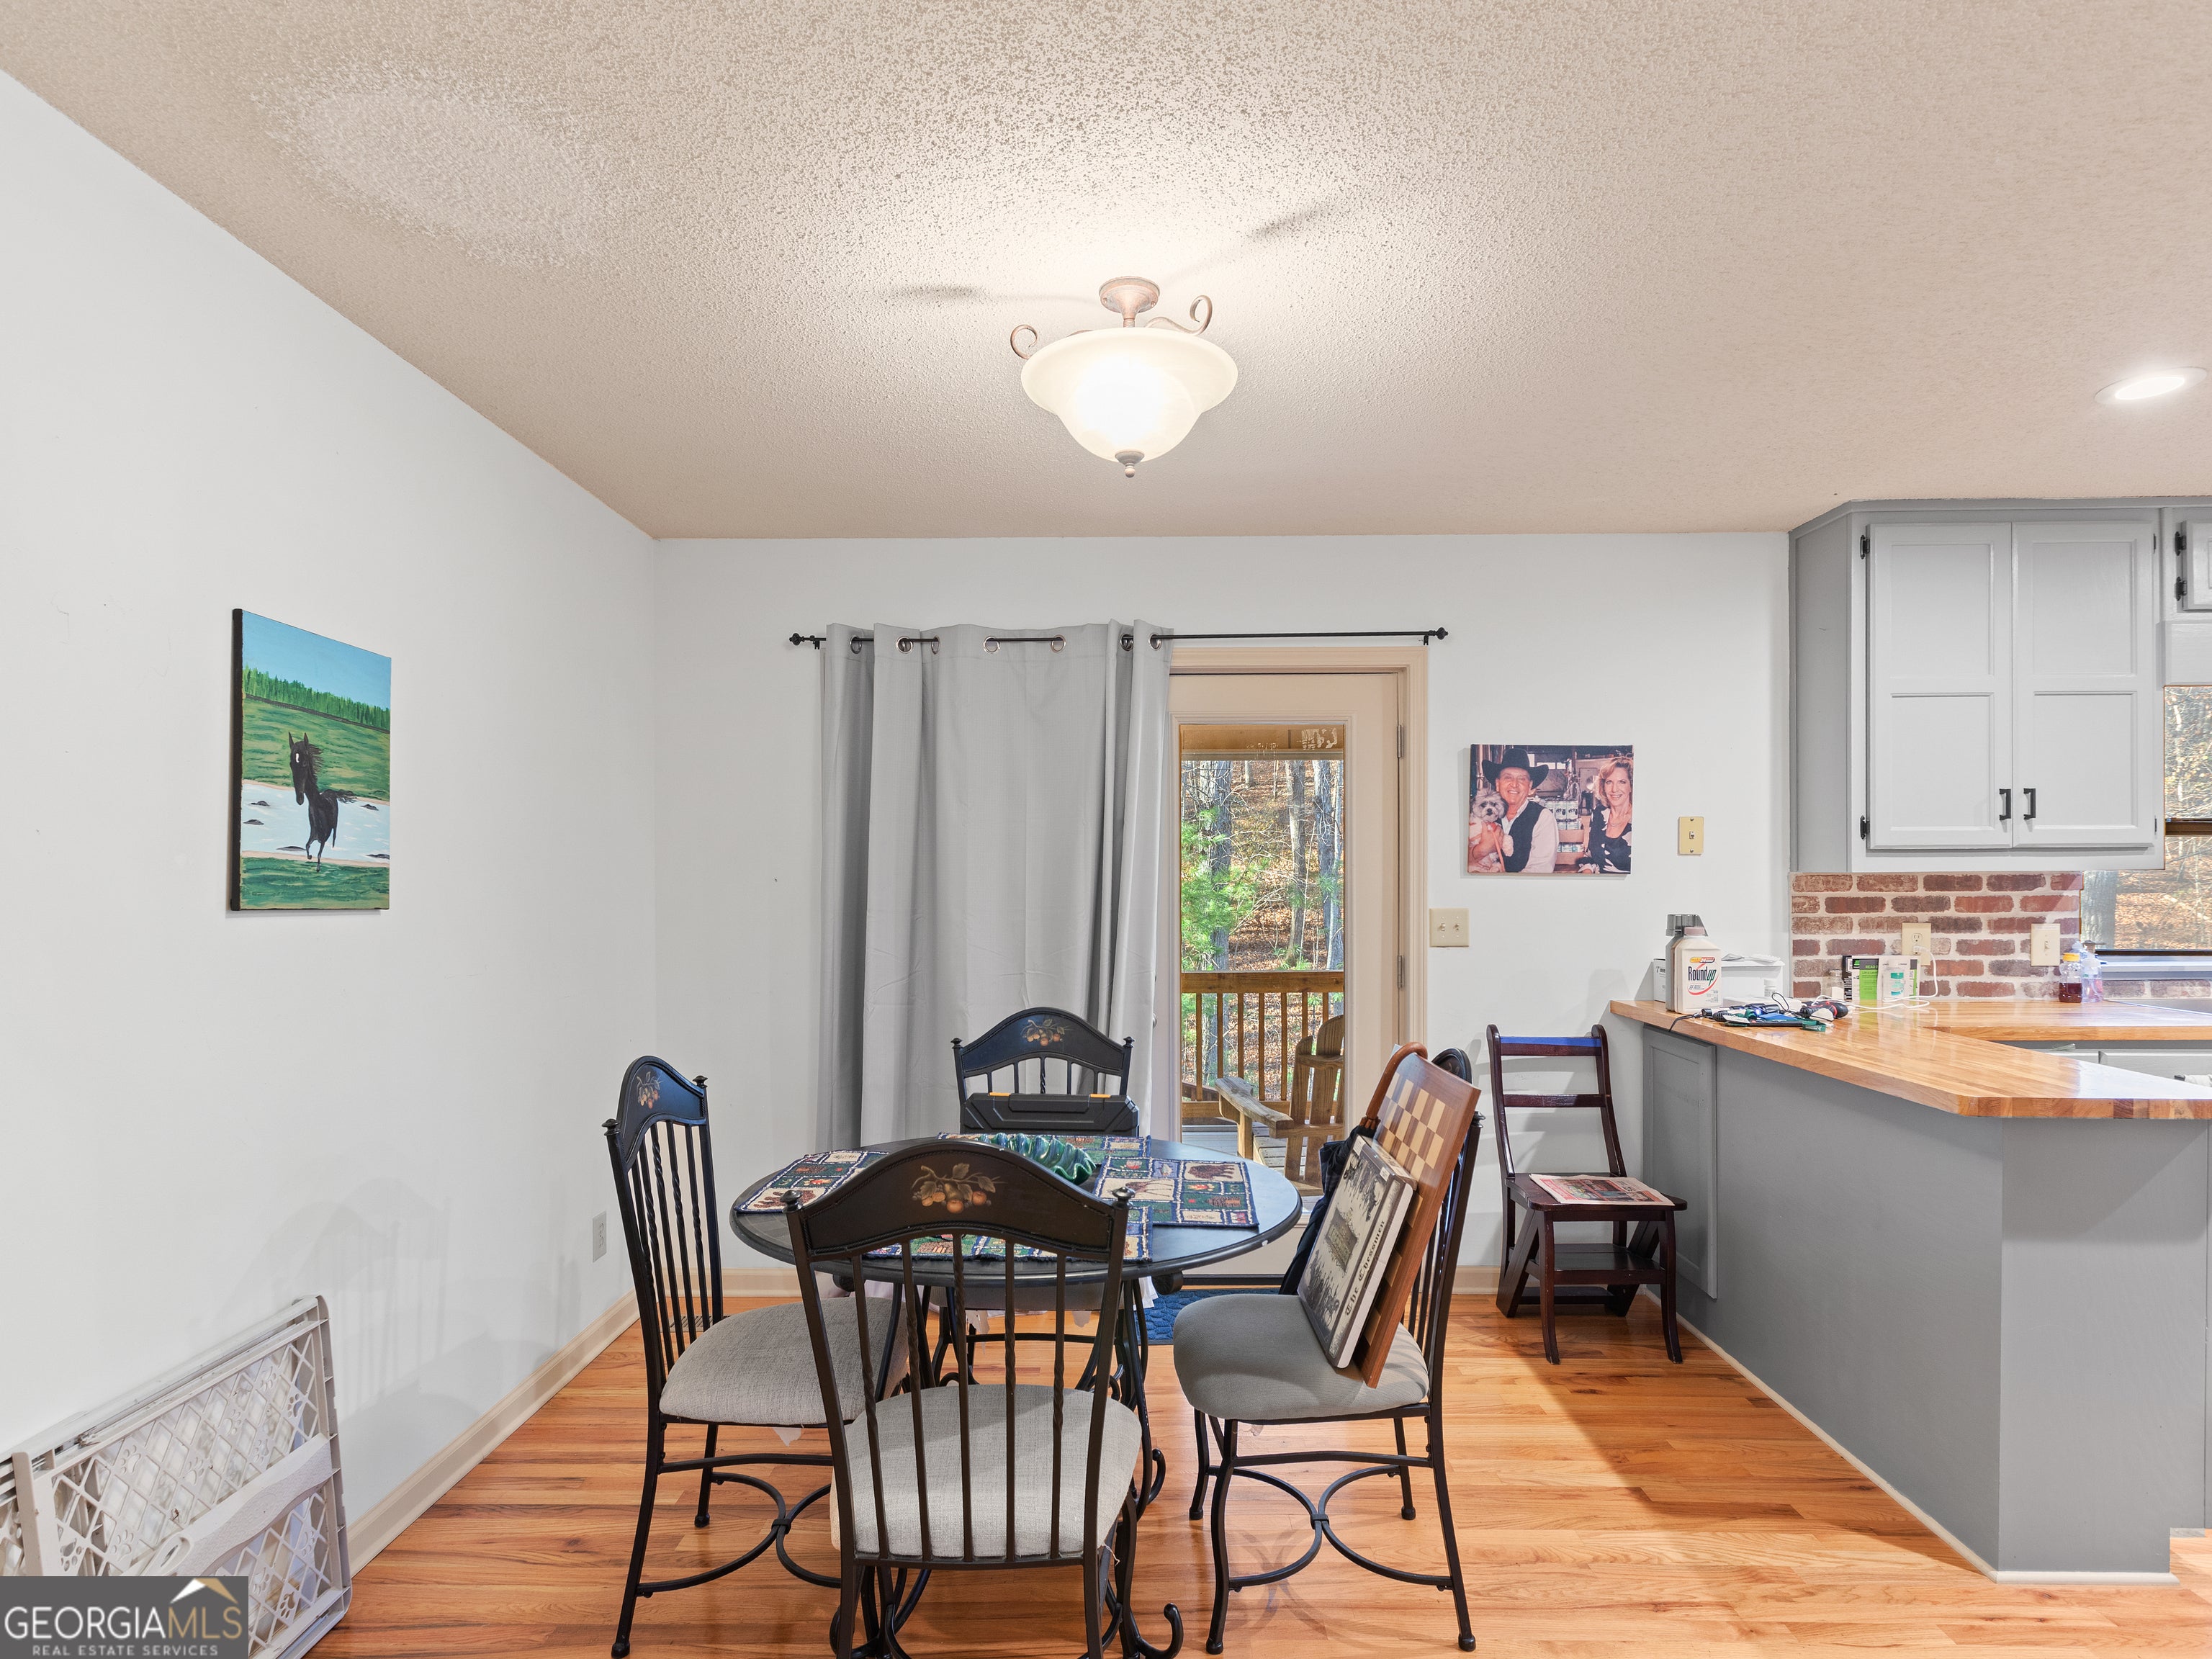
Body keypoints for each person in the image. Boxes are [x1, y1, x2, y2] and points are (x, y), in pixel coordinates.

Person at [1489, 757, 1558, 873]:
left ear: (1530, 786)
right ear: (1498, 783)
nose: (1514, 784)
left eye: (1522, 779)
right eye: (1508, 778)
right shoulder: (1483, 813)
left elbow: (1541, 868)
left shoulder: (1543, 817)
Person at [1580, 758, 1634, 873]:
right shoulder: (1599, 813)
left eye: (1622, 782)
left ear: (1631, 786)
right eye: (1609, 782)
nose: (1614, 789)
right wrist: (1587, 871)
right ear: (1603, 786)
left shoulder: (1642, 817)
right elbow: (1590, 855)